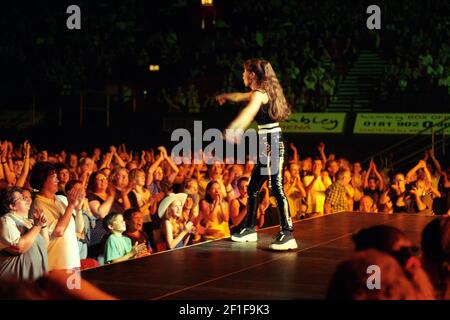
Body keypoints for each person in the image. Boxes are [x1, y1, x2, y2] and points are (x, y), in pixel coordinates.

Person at [216, 58, 297, 250]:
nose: (242, 75)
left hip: (272, 142)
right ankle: (250, 229)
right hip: (266, 142)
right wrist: (227, 96)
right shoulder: (259, 92)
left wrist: (235, 128)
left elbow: (249, 113)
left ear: (252, 75)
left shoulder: (259, 95)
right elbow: (240, 97)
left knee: (276, 187)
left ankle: (287, 233)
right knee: (253, 187)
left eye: (244, 72)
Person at [0, 187, 49, 280]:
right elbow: (18, 247)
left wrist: (43, 225)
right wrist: (37, 226)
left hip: (34, 282)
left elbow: (45, 246)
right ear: (12, 206)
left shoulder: (30, 222)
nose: (27, 200)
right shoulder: (6, 220)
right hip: (16, 285)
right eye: (22, 198)